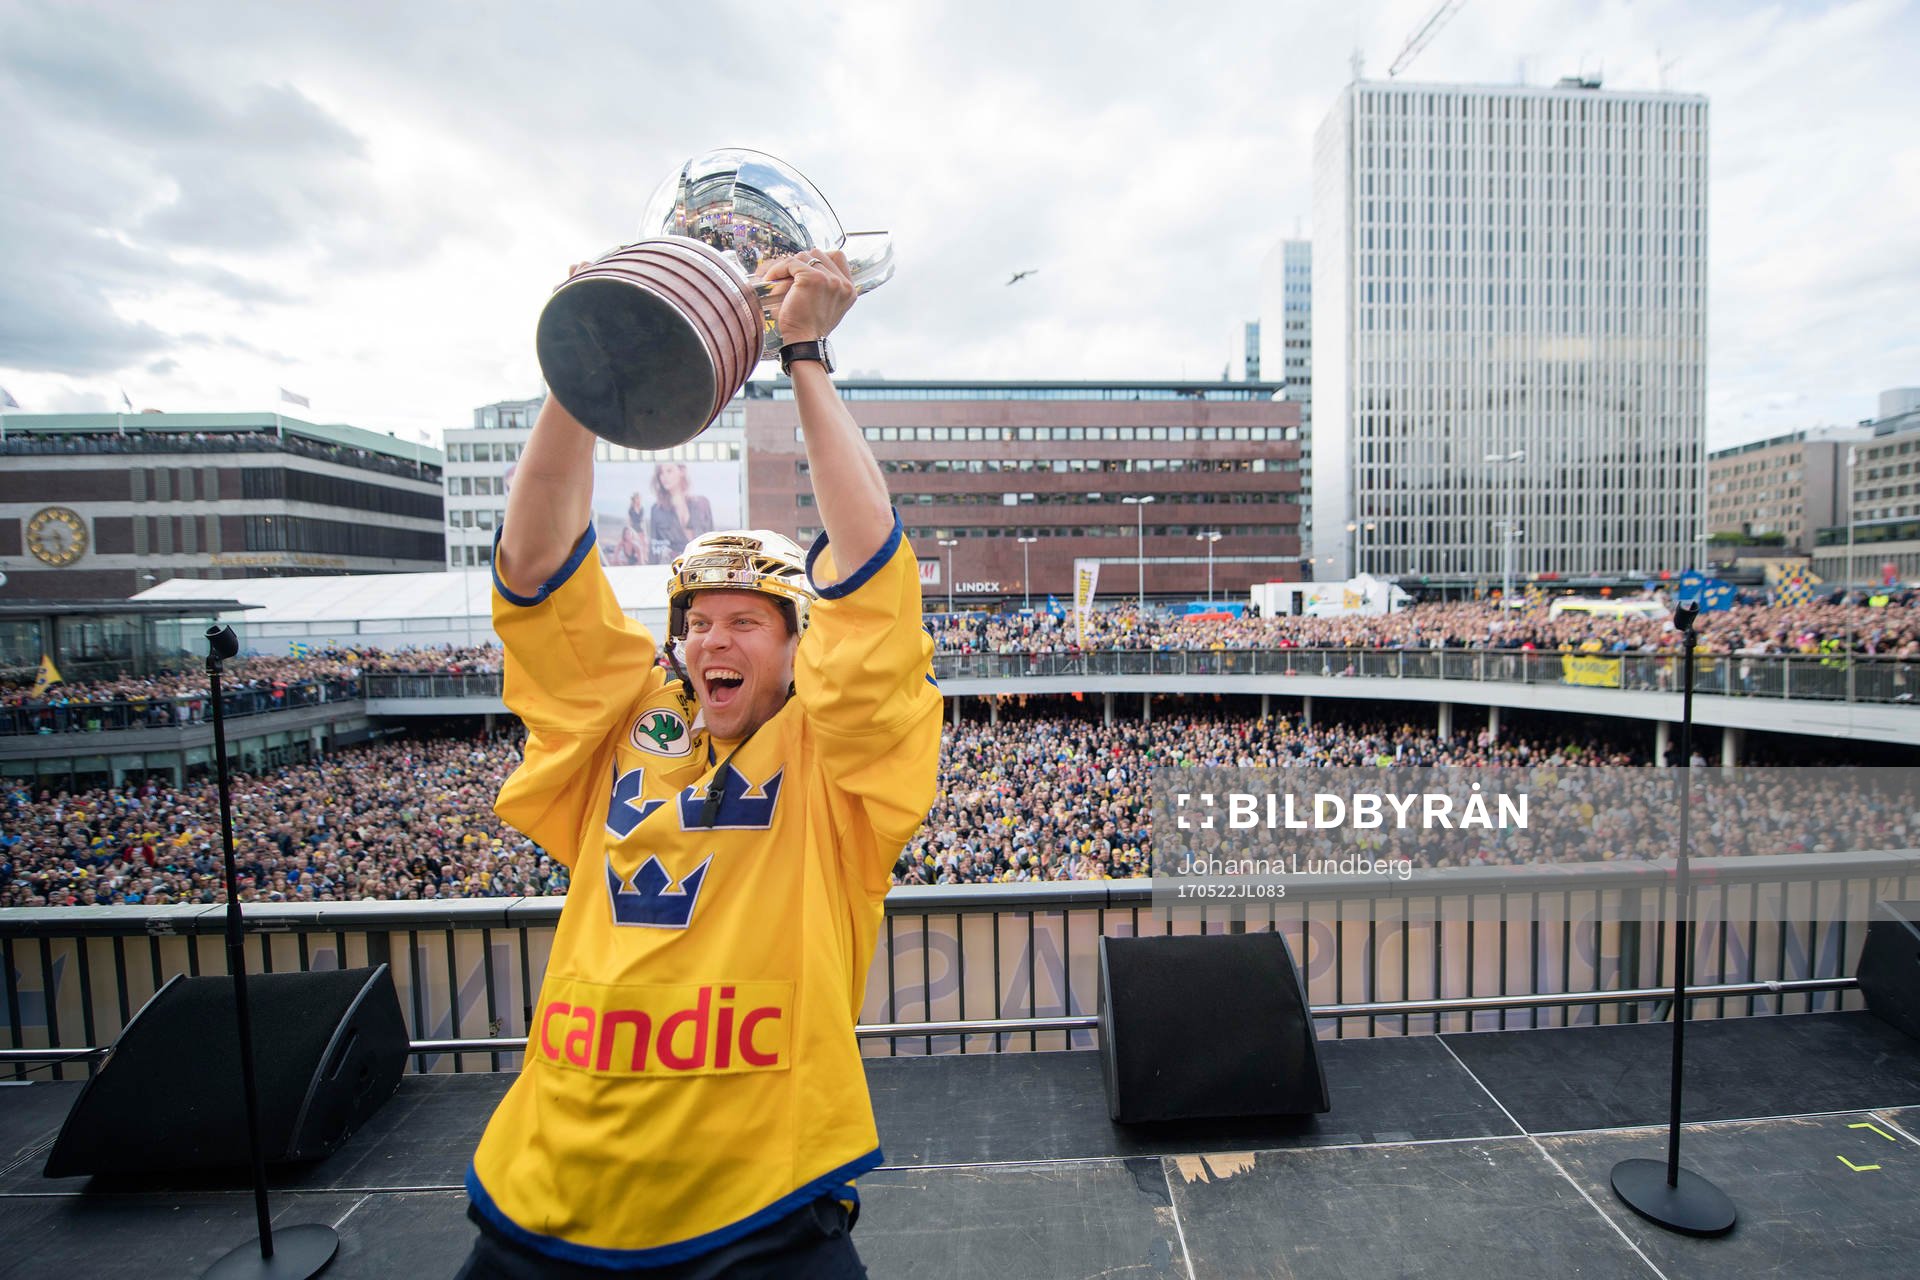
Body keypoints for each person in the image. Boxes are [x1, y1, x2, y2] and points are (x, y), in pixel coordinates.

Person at [459, 247, 942, 1278]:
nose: (715, 640)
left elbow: (870, 577)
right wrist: (592, 359)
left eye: (747, 621)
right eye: (699, 622)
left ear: (799, 642)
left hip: (759, 1205)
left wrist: (805, 354)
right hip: (549, 1184)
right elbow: (537, 571)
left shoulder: (837, 763)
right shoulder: (618, 725)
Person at [647, 460, 716, 563]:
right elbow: (654, 548)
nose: (664, 477)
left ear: (682, 471)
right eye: (661, 473)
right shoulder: (657, 510)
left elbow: (712, 541)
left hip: (703, 565)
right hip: (674, 567)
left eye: (669, 471)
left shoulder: (702, 503)